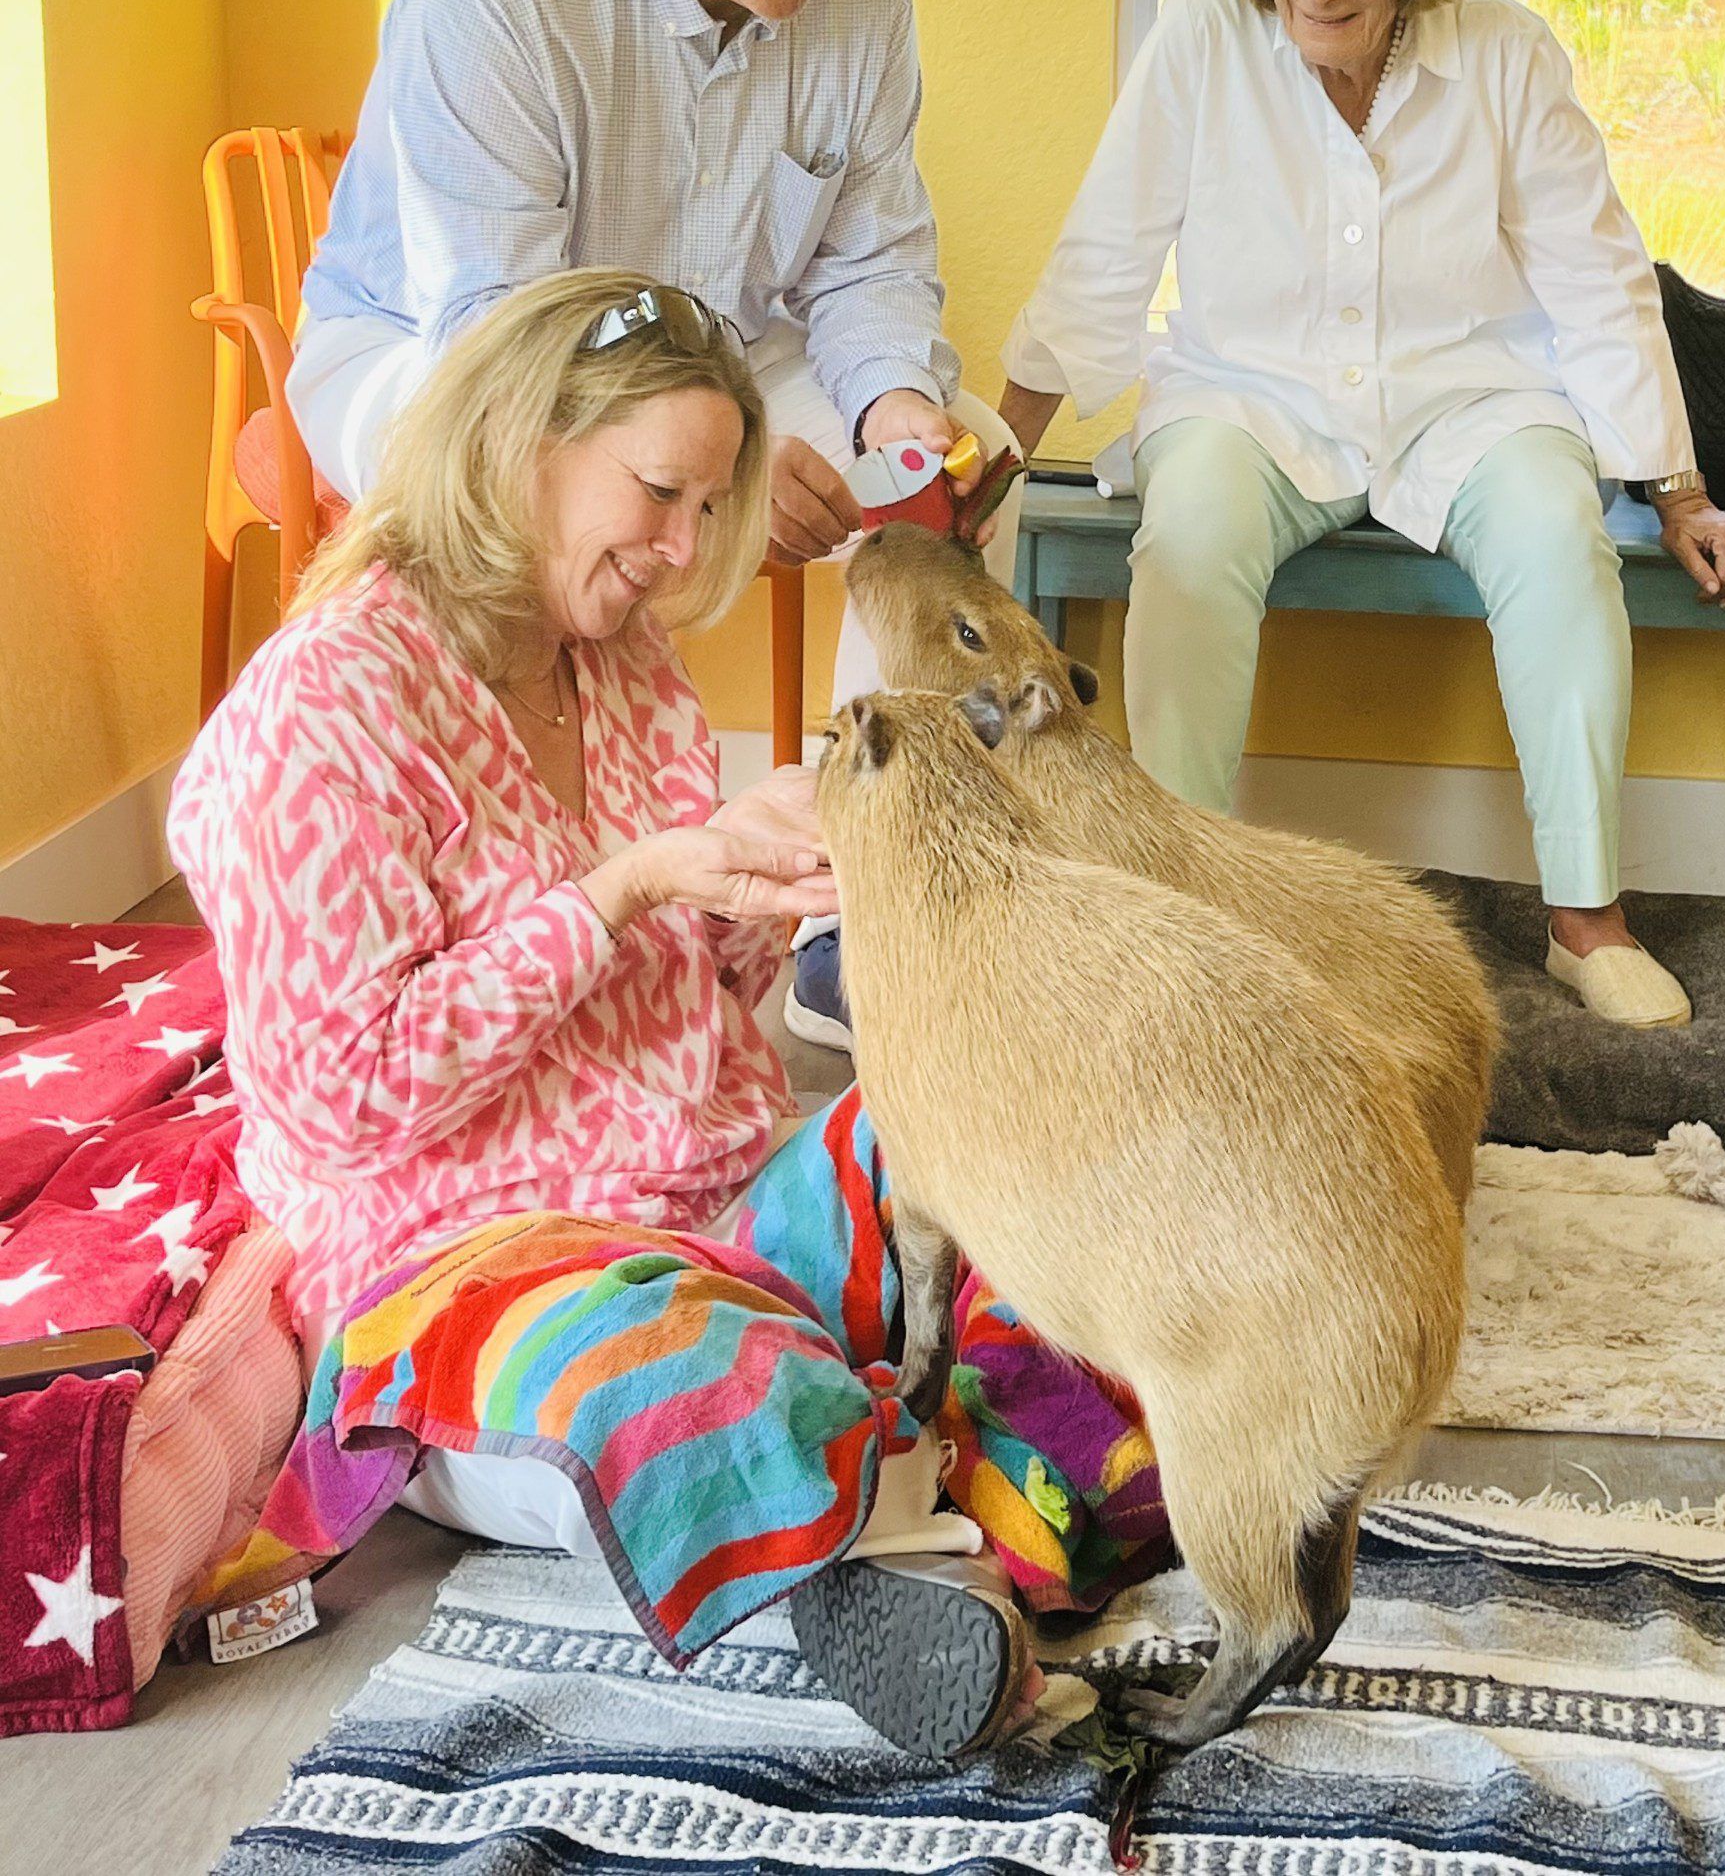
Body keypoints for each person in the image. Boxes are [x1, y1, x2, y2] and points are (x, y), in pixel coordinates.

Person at [172, 269, 1069, 1759]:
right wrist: (619, 889)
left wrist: (752, 881)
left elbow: (686, 1009)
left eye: (710, 507)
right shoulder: (322, 714)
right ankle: (901, 1549)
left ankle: (914, 1482)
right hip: (468, 1272)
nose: (686, 549)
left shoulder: (624, 663)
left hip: (708, 1201)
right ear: (520, 442)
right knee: (675, 1357)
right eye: (660, 494)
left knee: (1002, 1154)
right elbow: (343, 1093)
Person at [282, 0, 1024, 1052]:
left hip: (718, 358)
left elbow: (869, 266)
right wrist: (721, 459)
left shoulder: (869, 10)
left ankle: (853, 914)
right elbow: (504, 335)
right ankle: (495, 923)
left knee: (955, 462)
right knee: (532, 491)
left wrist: (898, 418)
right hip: (441, 359)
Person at [1000, 0, 1725, 1029]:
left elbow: (1595, 273)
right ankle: (1176, 906)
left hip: (1467, 398)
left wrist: (1679, 491)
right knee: (1188, 539)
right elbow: (1104, 254)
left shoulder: (1506, 51)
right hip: (1247, 399)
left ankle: (1587, 921)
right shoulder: (1203, 35)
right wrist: (995, 463)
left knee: (1558, 534)